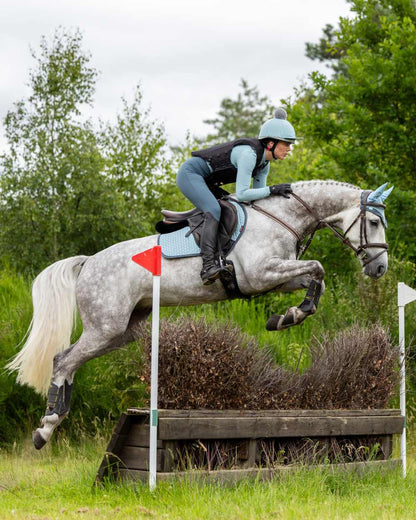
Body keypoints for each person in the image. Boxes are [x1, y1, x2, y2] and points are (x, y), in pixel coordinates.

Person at [176, 107, 299, 285]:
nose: (289, 148)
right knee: (214, 209)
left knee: (230, 209)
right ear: (271, 143)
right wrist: (273, 189)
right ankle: (208, 266)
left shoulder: (264, 164)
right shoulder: (249, 155)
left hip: (208, 182)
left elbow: (255, 200)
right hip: (191, 174)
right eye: (286, 144)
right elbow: (242, 194)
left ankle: (222, 257)